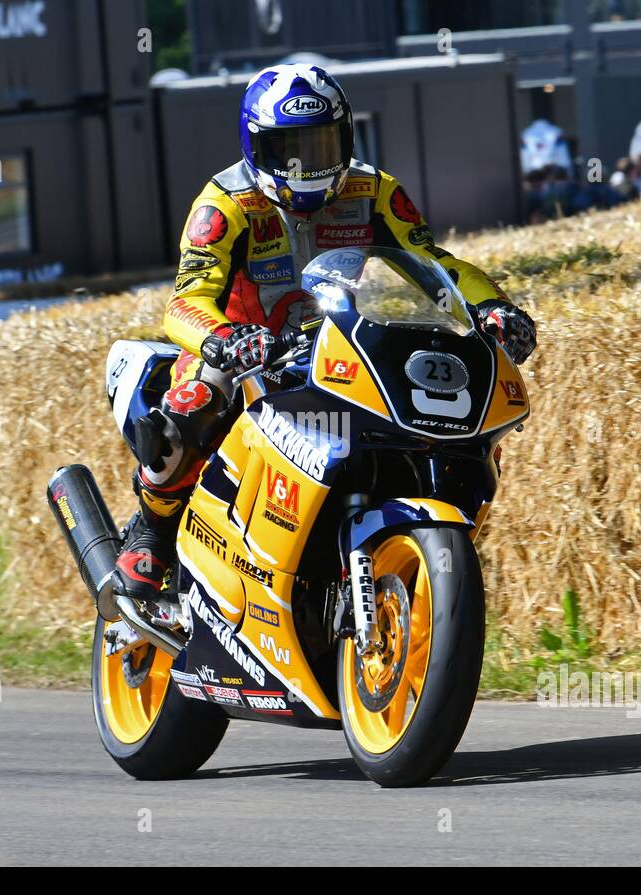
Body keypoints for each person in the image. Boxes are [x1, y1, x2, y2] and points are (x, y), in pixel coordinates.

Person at [111, 63, 537, 599]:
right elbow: (186, 301)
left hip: (345, 344)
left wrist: (493, 308)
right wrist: (226, 339)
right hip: (246, 351)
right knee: (195, 404)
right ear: (256, 145)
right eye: (290, 148)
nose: (306, 163)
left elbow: (433, 263)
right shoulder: (223, 205)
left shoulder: (376, 191)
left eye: (320, 144)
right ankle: (150, 528)